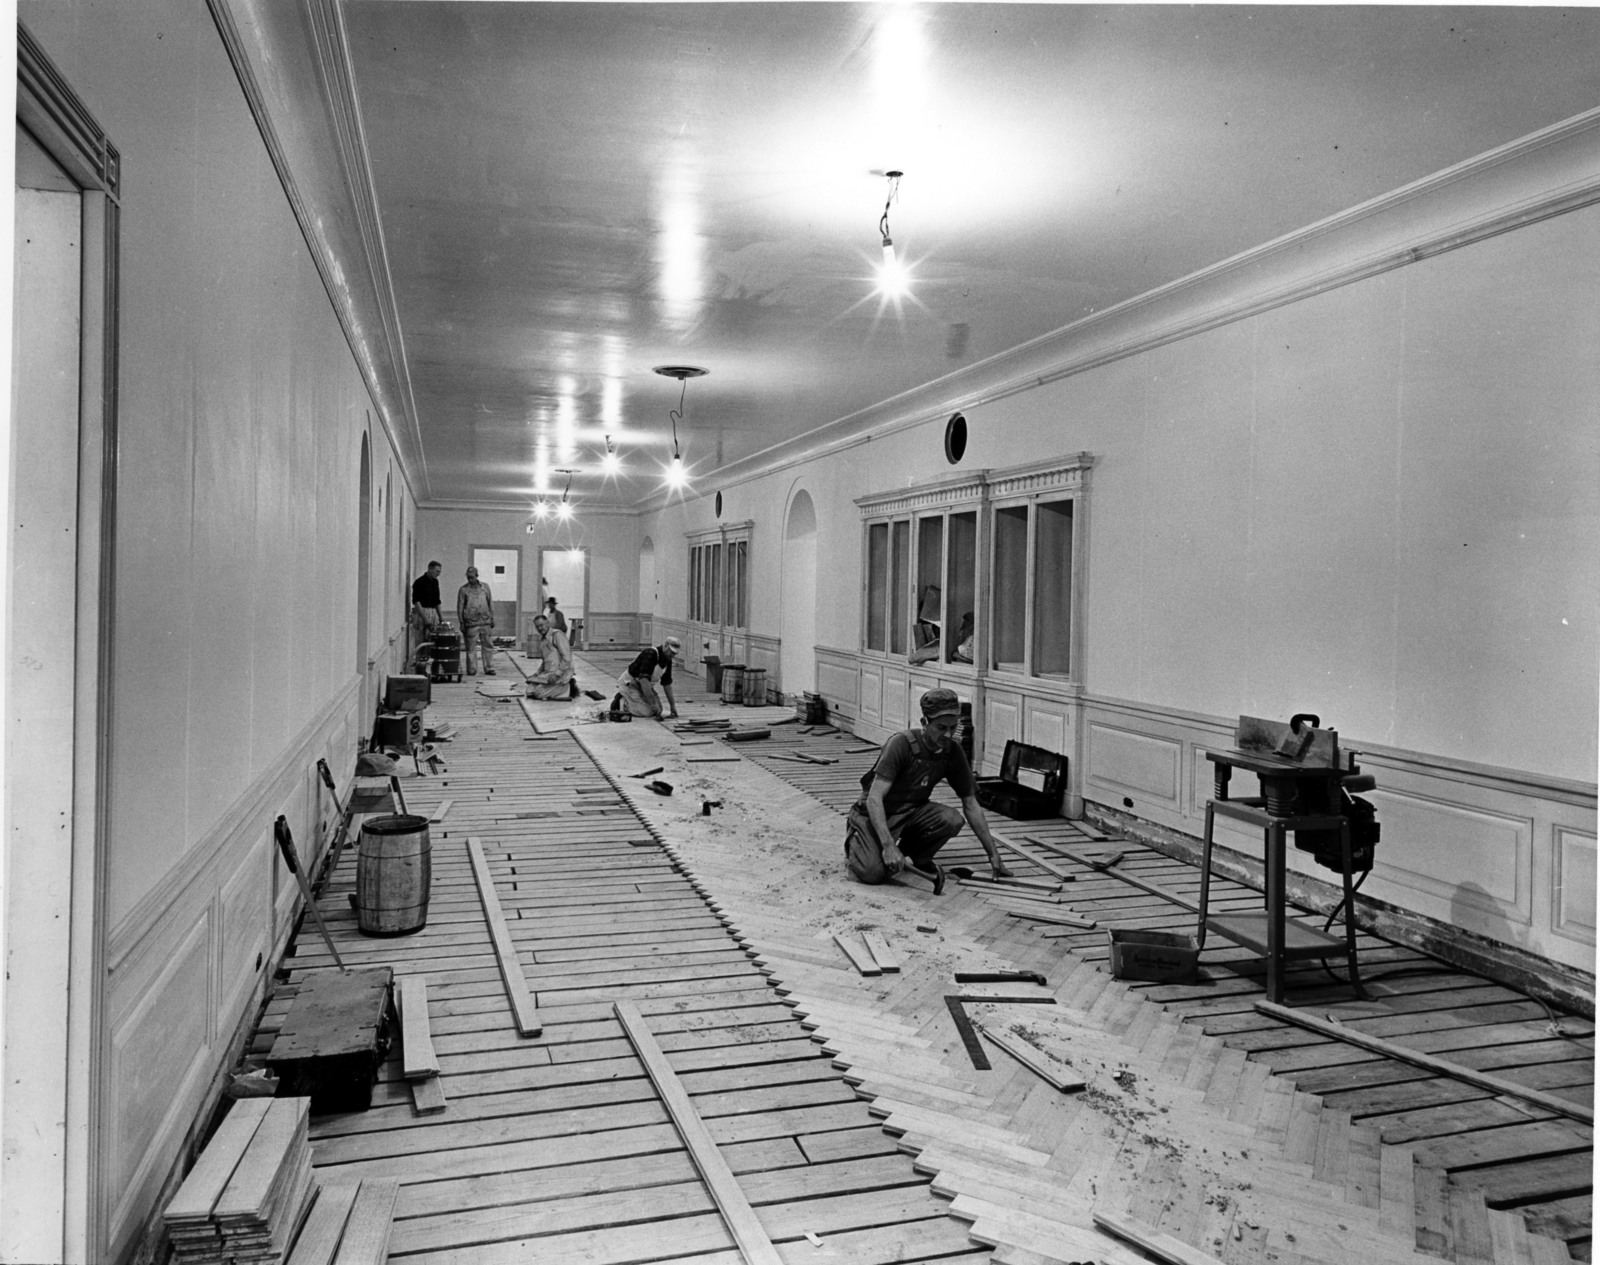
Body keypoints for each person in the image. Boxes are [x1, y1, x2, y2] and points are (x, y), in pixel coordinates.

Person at [845, 687, 1011, 891]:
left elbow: (971, 804)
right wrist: (888, 845)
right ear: (924, 722)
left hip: (911, 813)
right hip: (873, 815)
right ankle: (861, 844)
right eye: (941, 727)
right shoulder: (901, 744)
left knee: (951, 819)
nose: (949, 734)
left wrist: (993, 854)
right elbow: (874, 799)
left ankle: (915, 855)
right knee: (872, 873)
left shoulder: (953, 751)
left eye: (953, 727)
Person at [616, 636, 681, 719]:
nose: (673, 655)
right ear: (665, 646)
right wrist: (652, 703)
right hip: (630, 684)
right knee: (645, 712)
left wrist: (673, 706)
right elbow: (643, 680)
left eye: (675, 654)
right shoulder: (650, 654)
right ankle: (622, 701)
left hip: (644, 686)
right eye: (671, 652)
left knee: (658, 710)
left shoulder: (668, 660)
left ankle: (634, 701)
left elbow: (667, 684)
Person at [525, 613, 576, 700]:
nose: (540, 628)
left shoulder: (557, 635)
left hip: (560, 674)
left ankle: (567, 688)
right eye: (537, 627)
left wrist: (557, 674)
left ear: (548, 623)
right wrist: (536, 674)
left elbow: (567, 658)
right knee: (529, 691)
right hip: (548, 675)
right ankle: (554, 690)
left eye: (541, 625)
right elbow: (545, 661)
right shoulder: (543, 640)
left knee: (538, 693)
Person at [456, 566, 496, 675]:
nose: (470, 580)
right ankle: (472, 669)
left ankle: (489, 668)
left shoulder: (485, 588)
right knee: (471, 647)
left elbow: (490, 604)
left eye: (472, 577)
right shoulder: (463, 590)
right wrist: (461, 622)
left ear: (477, 576)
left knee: (488, 645)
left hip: (485, 621)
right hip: (470, 623)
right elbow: (460, 607)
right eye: (468, 578)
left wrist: (492, 618)